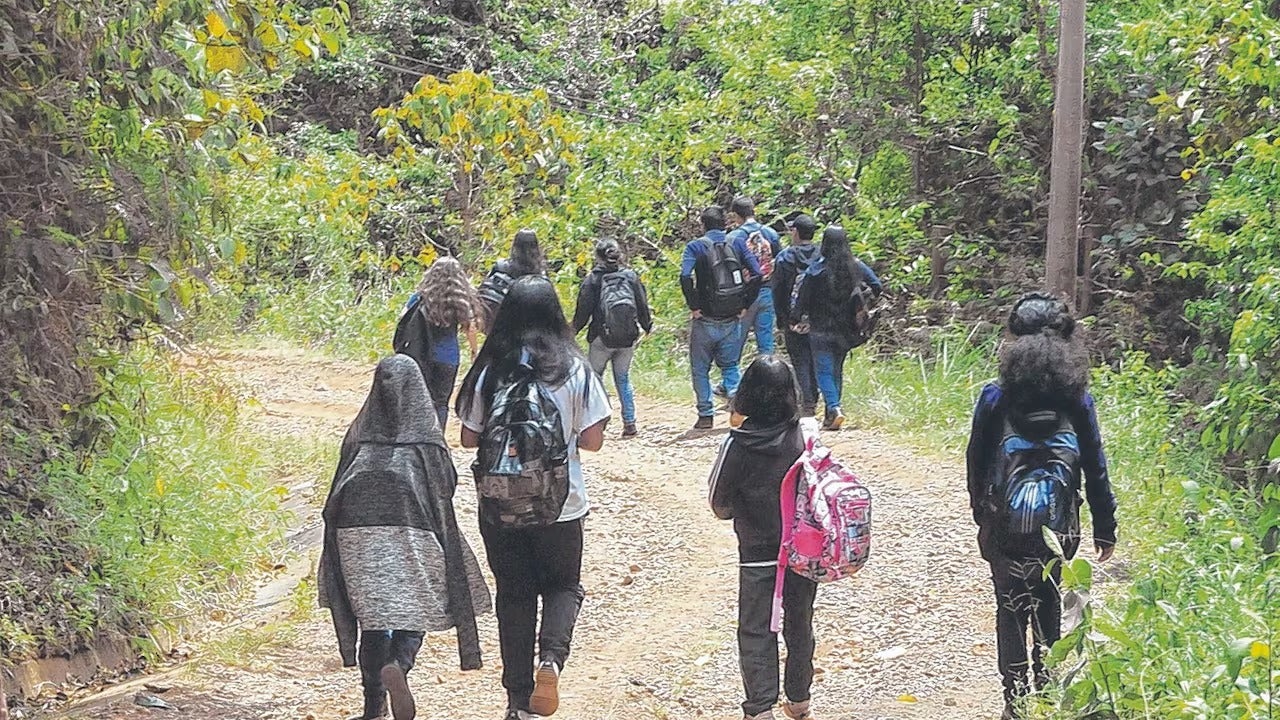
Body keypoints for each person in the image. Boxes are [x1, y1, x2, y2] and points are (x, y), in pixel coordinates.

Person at [456, 276, 612, 720]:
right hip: (561, 503)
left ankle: (517, 699)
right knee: (564, 585)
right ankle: (552, 660)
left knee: (514, 594)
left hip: (499, 505)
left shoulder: (492, 367)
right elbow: (595, 440)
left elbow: (469, 438)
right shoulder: (573, 367)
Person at [965, 293, 1119, 719]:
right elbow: (1095, 464)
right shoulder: (1077, 398)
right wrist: (1105, 525)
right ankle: (1048, 692)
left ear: (1013, 340)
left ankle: (1015, 705)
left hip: (1005, 526)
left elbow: (976, 460)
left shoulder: (995, 396)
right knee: (1050, 600)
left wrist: (982, 513)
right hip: (1060, 526)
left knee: (1010, 606)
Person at [319, 355, 492, 720]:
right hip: (413, 530)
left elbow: (336, 486)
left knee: (373, 617)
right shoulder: (426, 440)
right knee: (416, 607)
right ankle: (399, 661)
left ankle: (373, 705)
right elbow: (445, 487)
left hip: (355, 536)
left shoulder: (358, 434)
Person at [709, 356, 818, 720]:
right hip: (802, 550)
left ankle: (759, 709)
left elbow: (718, 502)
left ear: (747, 394)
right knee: (799, 621)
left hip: (756, 552)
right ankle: (799, 699)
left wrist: (740, 513)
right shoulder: (805, 436)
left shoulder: (738, 444)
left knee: (756, 629)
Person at [792, 226, 882, 430]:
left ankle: (834, 407)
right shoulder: (856, 267)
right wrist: (862, 299)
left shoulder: (816, 270)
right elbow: (877, 285)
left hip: (820, 328)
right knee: (836, 370)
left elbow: (803, 298)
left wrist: (795, 318)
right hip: (847, 329)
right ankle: (831, 415)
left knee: (823, 370)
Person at [681, 205, 763, 429]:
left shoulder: (695, 246)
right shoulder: (736, 243)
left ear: (703, 225)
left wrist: (694, 305)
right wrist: (745, 303)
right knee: (730, 366)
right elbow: (757, 273)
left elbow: (685, 275)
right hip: (732, 317)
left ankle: (706, 415)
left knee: (700, 369)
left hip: (705, 318)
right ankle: (737, 405)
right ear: (725, 224)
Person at [572, 238, 653, 438]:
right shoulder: (630, 276)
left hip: (601, 338)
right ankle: (630, 422)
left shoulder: (593, 280)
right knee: (623, 379)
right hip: (627, 338)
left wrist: (572, 331)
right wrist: (647, 326)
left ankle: (601, 418)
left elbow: (583, 311)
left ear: (597, 257)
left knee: (595, 378)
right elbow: (642, 304)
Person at [397, 256, 480, 429]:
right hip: (449, 358)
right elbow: (470, 328)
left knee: (419, 398)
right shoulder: (461, 301)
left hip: (421, 355)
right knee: (441, 402)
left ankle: (417, 435)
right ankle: (437, 438)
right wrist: (474, 351)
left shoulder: (421, 297)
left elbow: (403, 316)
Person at [771, 214, 821, 417]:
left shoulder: (785, 257)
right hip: (820, 317)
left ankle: (808, 401)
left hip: (793, 318)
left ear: (796, 232)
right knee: (816, 357)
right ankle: (816, 396)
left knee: (800, 359)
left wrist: (781, 317)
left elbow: (778, 289)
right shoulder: (821, 255)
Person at [728, 196, 783, 357]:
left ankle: (732, 380)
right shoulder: (771, 234)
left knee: (736, 340)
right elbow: (779, 262)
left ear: (736, 215)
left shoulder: (734, 238)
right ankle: (770, 376)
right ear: (754, 211)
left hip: (743, 296)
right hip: (767, 290)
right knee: (765, 341)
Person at [478, 229, 547, 332]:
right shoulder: (541, 273)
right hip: (528, 326)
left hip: (500, 324)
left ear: (514, 245)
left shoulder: (501, 266)